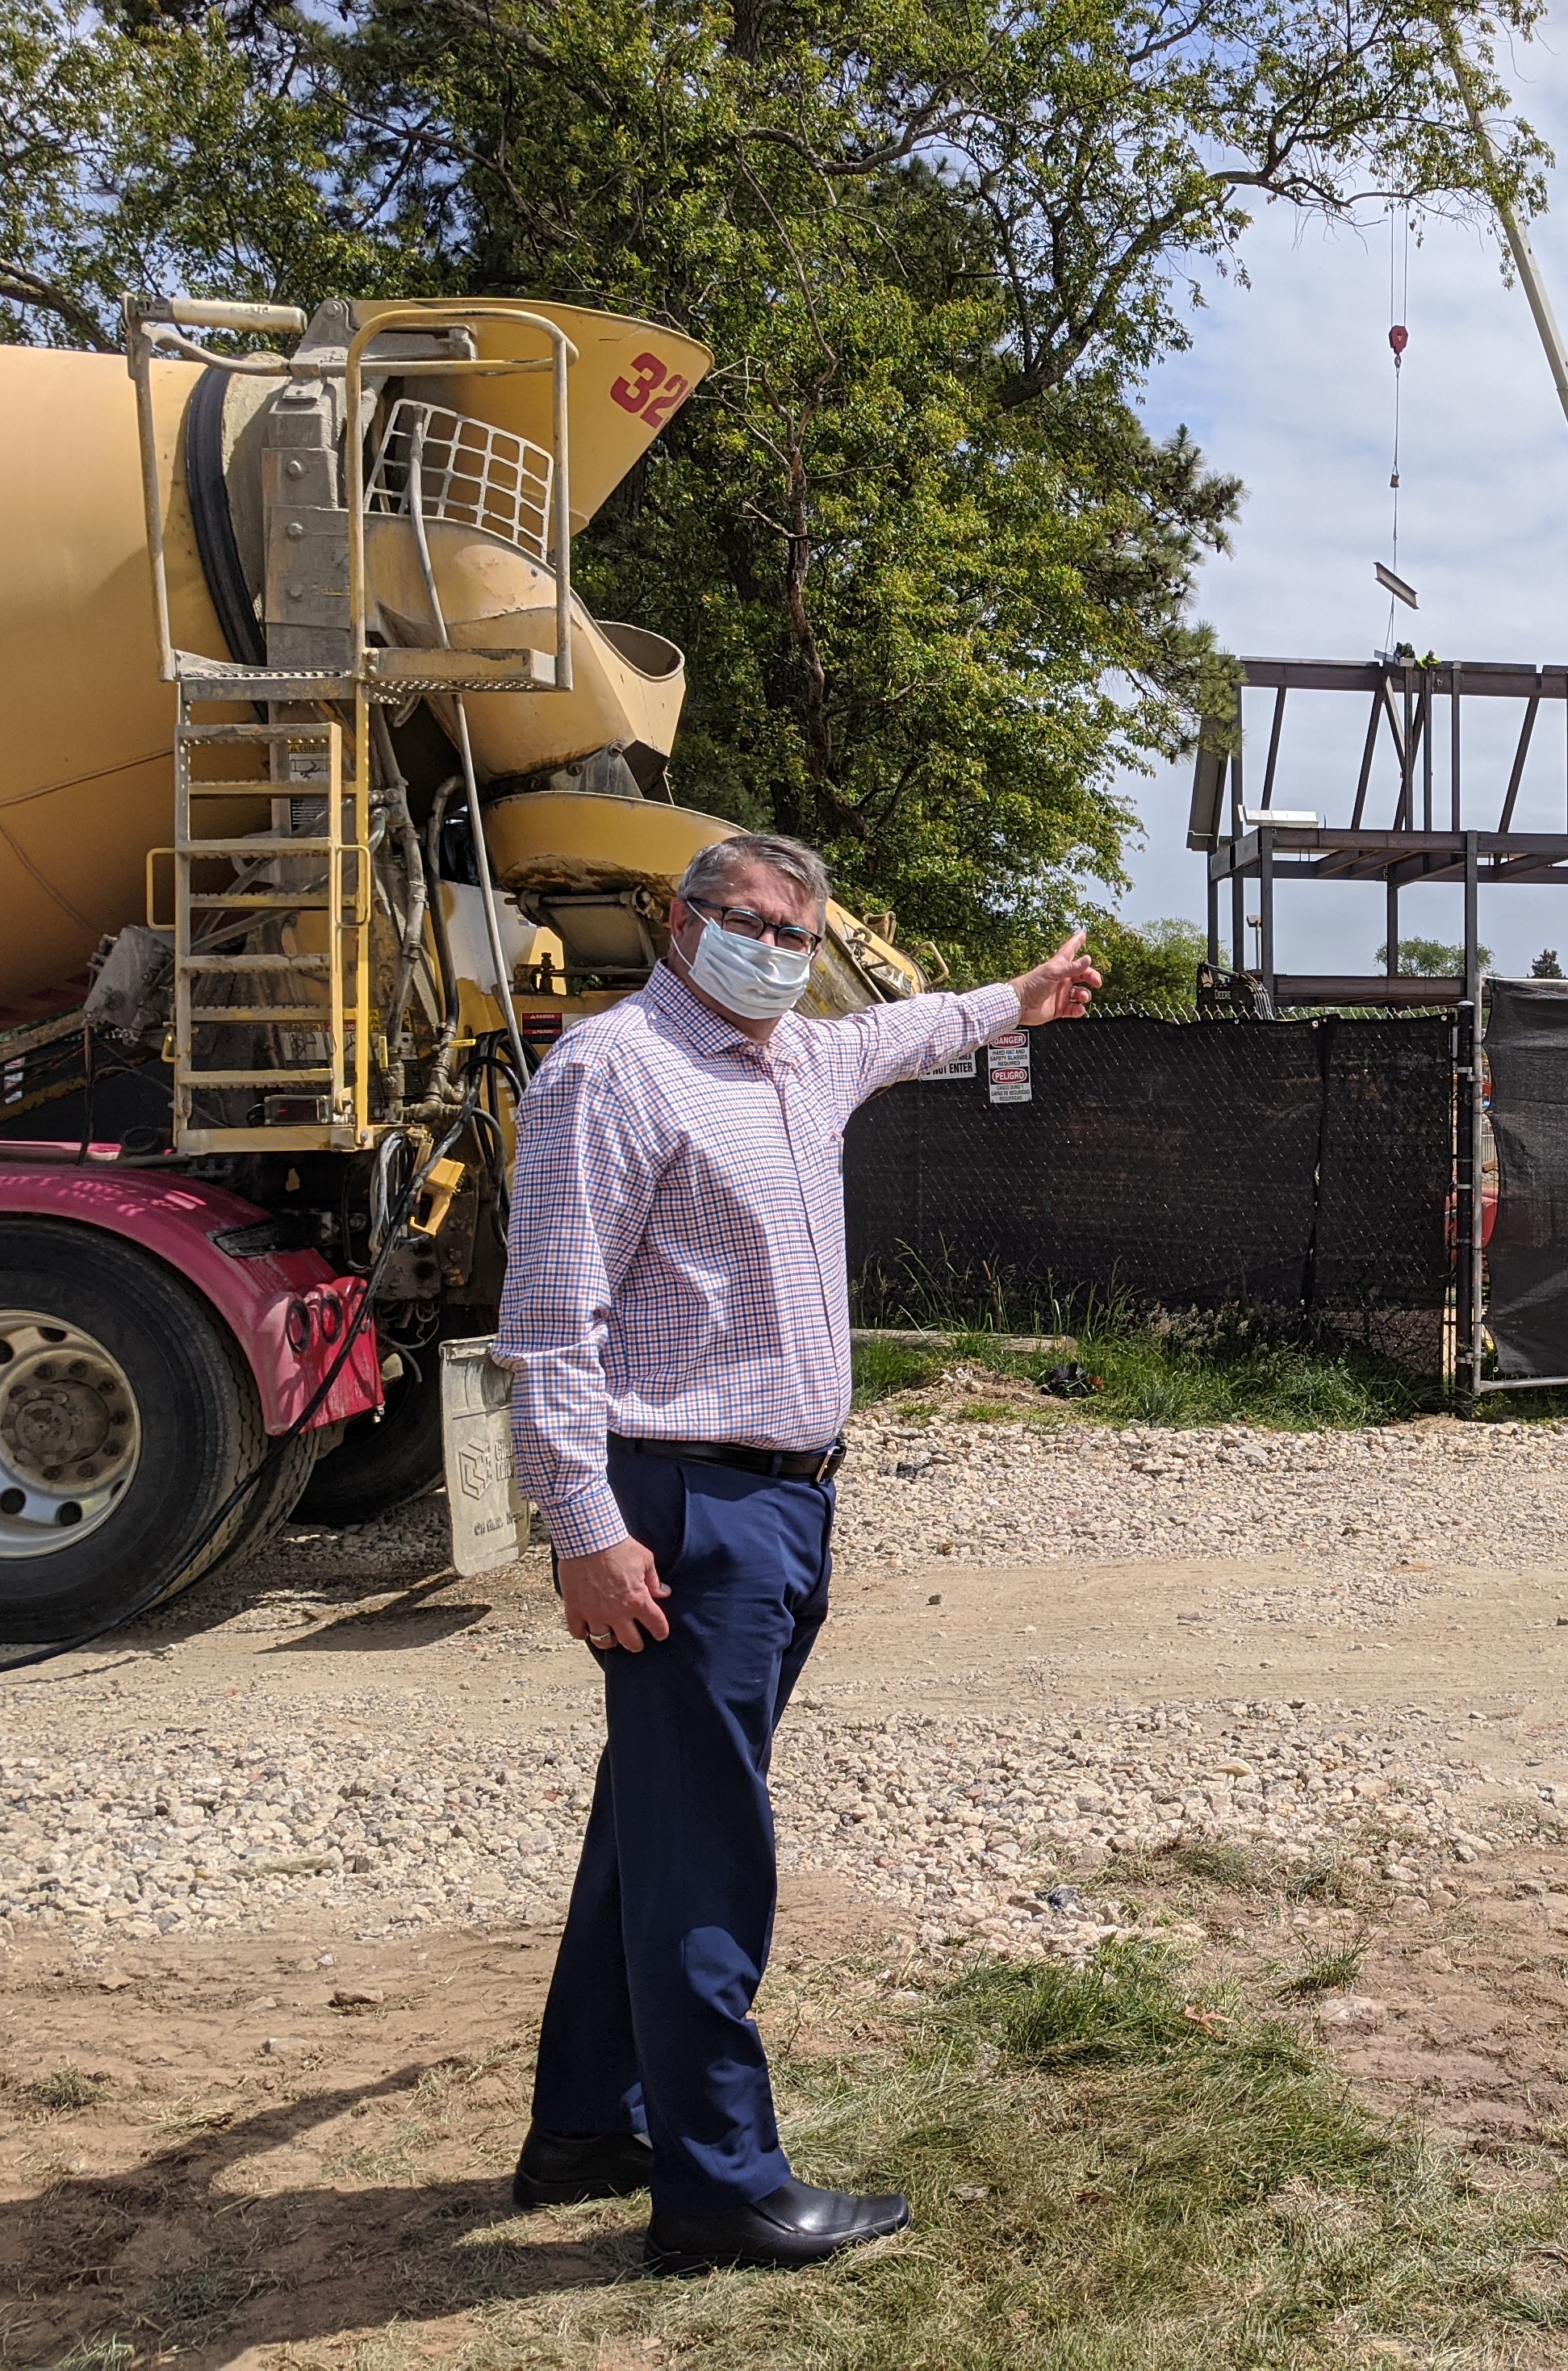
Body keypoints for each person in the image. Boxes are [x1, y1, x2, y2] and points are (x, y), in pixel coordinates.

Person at [492, 830, 1098, 2274]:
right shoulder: (611, 1072)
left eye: (798, 928)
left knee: (659, 1816)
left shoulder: (797, 1061)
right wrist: (582, 1529)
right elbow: (549, 1323)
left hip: (784, 1500)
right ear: (681, 922)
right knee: (708, 1846)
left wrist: (1019, 996)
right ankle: (716, 2189)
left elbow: (903, 1029)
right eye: (750, 919)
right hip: (681, 1505)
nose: (777, 944)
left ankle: (587, 2122)